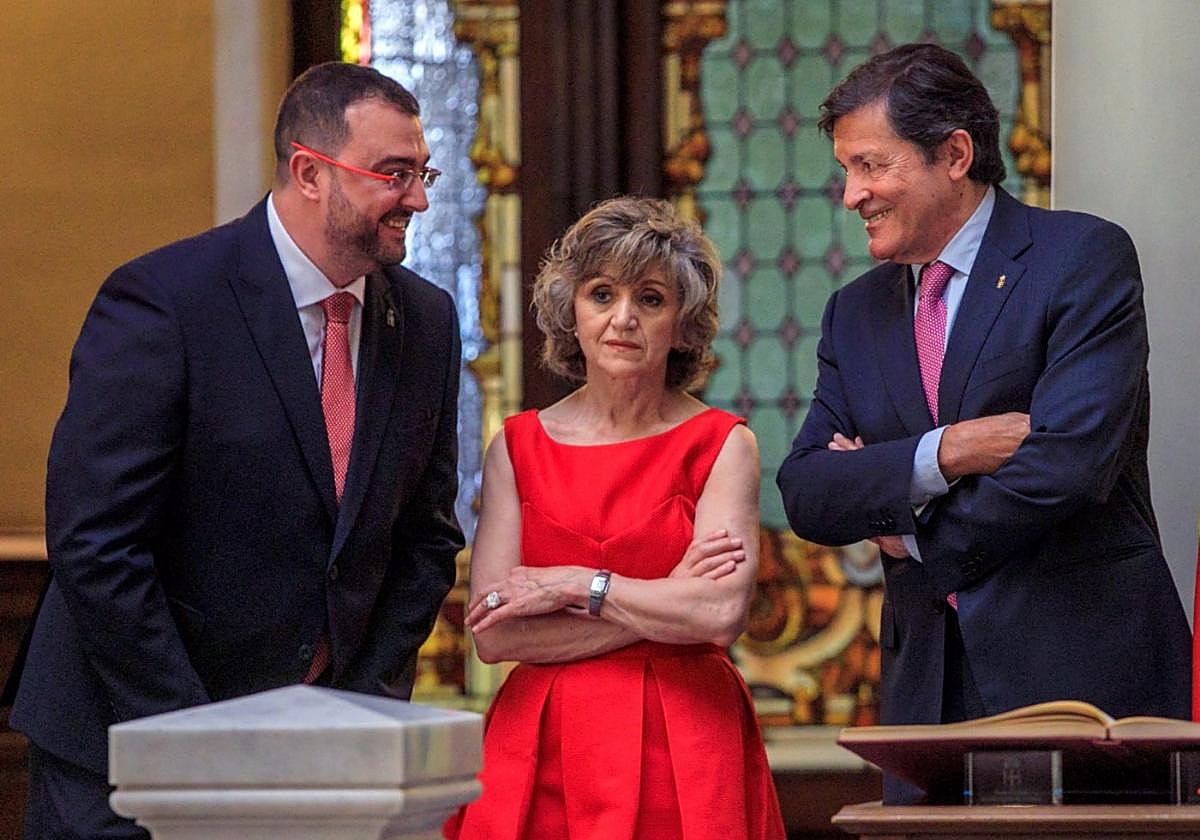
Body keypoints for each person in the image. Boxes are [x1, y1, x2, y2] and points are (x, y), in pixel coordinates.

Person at [8, 61, 464, 838]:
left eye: (422, 172)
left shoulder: (424, 321)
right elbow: (96, 541)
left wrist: (356, 706)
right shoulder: (166, 300)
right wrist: (197, 742)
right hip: (129, 749)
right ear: (309, 173)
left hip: (318, 765)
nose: (417, 198)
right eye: (394, 175)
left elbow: (425, 538)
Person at [775, 43, 1191, 802]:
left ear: (955, 154)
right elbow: (809, 490)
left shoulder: (1081, 259)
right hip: (926, 705)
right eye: (847, 170)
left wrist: (908, 529)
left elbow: (1065, 465)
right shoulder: (855, 313)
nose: (850, 194)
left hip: (1085, 682)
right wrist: (948, 452)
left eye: (870, 166)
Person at [444, 197, 784, 839]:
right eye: (603, 294)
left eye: (651, 299)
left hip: (683, 743)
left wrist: (577, 585)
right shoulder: (516, 447)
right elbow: (494, 634)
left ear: (682, 322)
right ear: (571, 311)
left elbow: (718, 615)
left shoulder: (722, 444)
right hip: (540, 743)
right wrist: (662, 602)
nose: (624, 318)